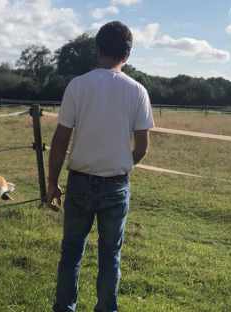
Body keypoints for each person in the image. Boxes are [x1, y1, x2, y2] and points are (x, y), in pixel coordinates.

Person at [47, 21, 155, 312]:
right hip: (116, 185)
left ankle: (64, 307)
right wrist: (120, 164)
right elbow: (142, 147)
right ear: (128, 54)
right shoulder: (138, 92)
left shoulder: (78, 86)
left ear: (97, 50)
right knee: (111, 256)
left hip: (80, 181)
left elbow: (59, 141)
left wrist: (51, 182)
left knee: (71, 253)